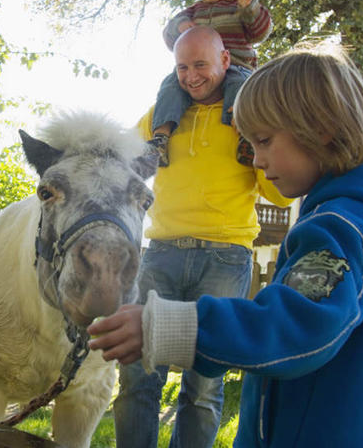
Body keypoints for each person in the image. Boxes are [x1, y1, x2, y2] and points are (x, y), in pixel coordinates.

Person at [89, 43, 363, 447]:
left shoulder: (342, 228)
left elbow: (298, 326)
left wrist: (161, 326)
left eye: (263, 141)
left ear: (320, 129)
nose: (257, 161)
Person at [112, 25, 293, 448]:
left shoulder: (249, 118)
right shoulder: (162, 114)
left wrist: (258, 144)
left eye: (200, 65)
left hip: (225, 258)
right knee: (138, 375)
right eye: (181, 67)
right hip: (162, 255)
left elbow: (280, 195)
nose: (191, 76)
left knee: (204, 386)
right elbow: (123, 166)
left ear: (225, 62)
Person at [150, 0, 272, 167]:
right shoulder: (193, 11)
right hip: (197, 69)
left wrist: (251, 8)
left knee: (241, 88)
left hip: (236, 66)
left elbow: (260, 32)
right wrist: (180, 28)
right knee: (170, 86)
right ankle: (160, 137)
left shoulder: (239, 7)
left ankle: (246, 137)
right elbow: (169, 37)